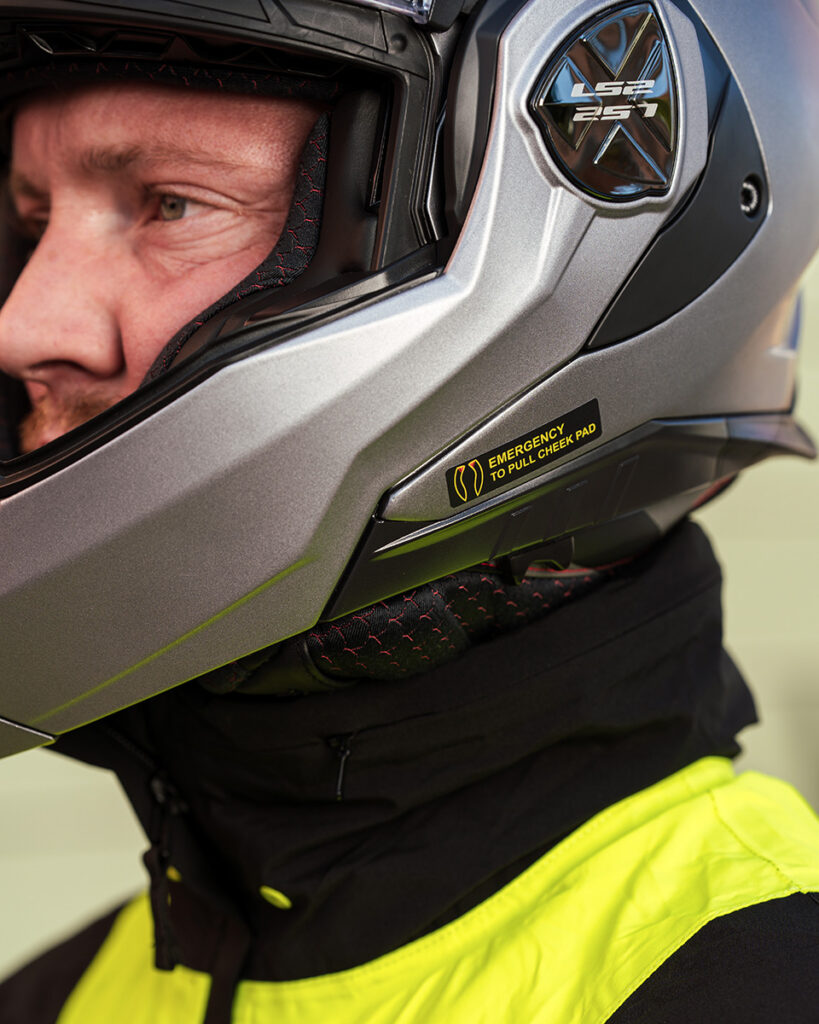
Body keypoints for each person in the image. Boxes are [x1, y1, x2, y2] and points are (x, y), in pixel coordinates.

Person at [1, 0, 818, 1022]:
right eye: (29, 223)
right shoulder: (56, 998)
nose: (23, 324)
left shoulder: (763, 980)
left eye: (172, 204)